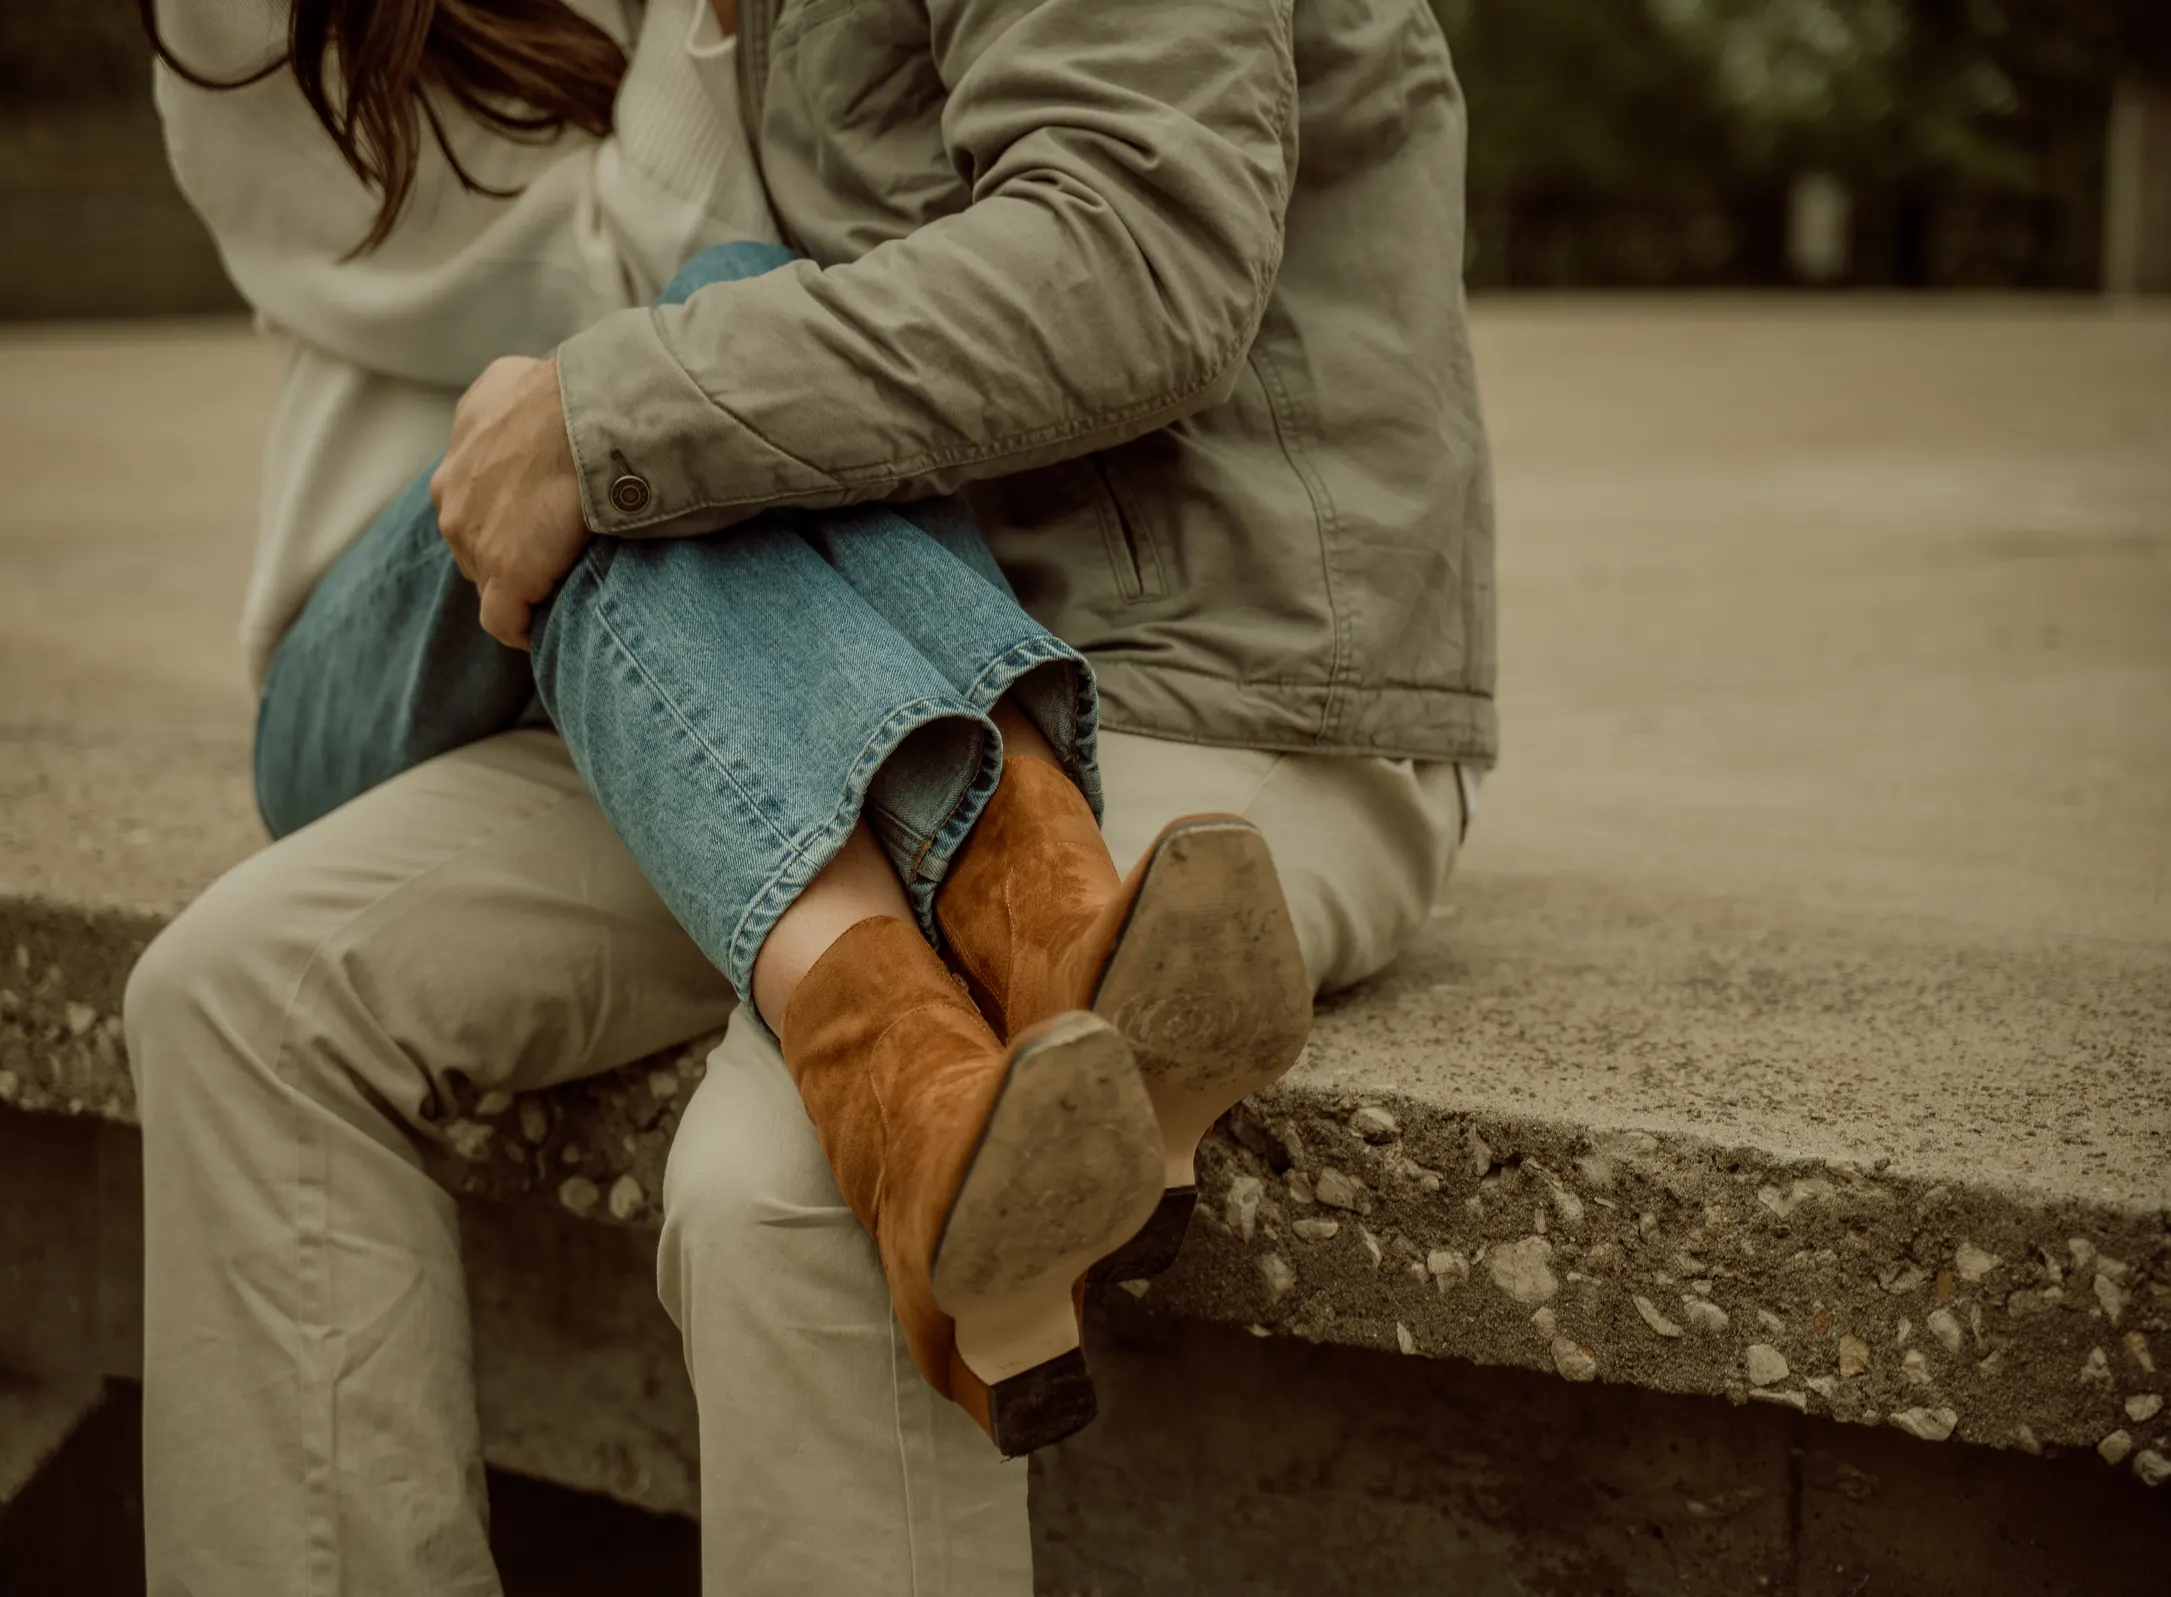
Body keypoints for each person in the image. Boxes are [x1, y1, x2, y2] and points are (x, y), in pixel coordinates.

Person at [128, 0, 1494, 1590]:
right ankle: (998, 939)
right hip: (838, 642)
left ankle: (1022, 960)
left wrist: (615, 416)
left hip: (1211, 670)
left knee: (779, 1196)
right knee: (241, 996)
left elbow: (1138, 251)